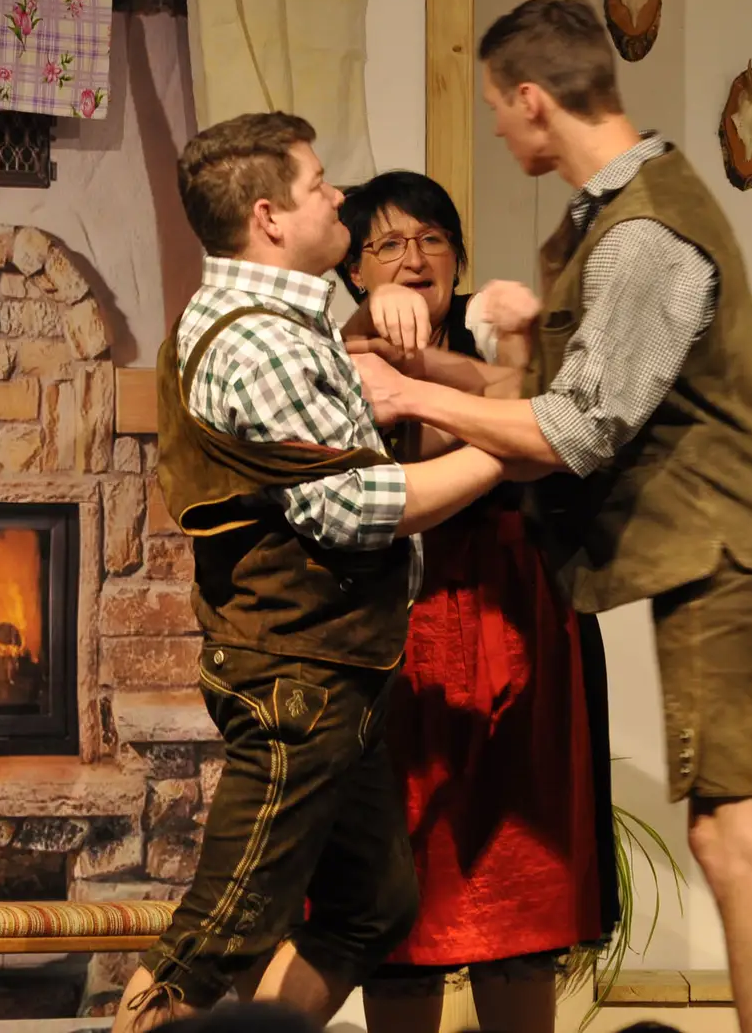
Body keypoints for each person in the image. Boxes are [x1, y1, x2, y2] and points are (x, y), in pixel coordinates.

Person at [349, 0, 752, 1033]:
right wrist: (433, 366)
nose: (496, 129)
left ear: (532, 100)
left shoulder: (642, 234)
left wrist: (410, 392)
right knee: (742, 837)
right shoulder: (610, 218)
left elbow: (576, 429)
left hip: (726, 551)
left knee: (731, 840)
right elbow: (545, 393)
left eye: (496, 108)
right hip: (720, 550)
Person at [115, 113, 530, 1032]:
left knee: (370, 905)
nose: (338, 194)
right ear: (268, 217)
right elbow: (353, 507)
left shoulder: (281, 324)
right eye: (318, 184)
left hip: (337, 671)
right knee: (215, 933)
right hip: (296, 677)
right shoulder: (261, 340)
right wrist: (512, 449)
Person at [331, 171, 618, 1033]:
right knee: (401, 894)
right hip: (402, 628)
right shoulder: (337, 343)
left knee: (521, 891)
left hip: (519, 624)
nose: (414, 258)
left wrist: (481, 365)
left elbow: (549, 425)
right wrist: (492, 385)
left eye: (433, 239)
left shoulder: (496, 334)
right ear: (353, 268)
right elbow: (463, 440)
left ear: (457, 258)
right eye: (388, 243)